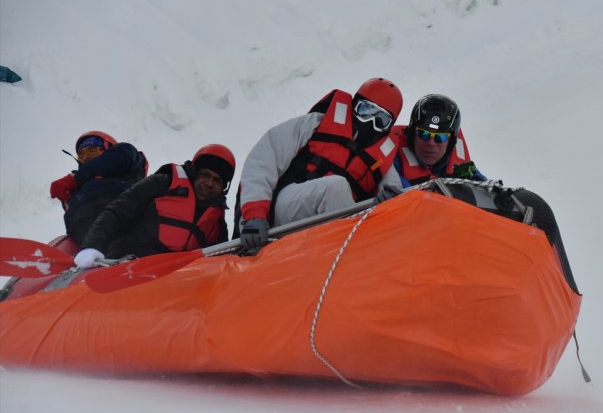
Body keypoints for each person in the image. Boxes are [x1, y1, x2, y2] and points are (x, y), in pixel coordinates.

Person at [236, 77, 405, 252]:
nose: (370, 122)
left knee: (359, 195)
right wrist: (255, 215)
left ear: (389, 126)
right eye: (366, 110)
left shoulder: (382, 160)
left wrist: (387, 203)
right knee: (336, 186)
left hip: (332, 225)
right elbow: (263, 159)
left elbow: (394, 192)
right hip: (286, 210)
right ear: (354, 105)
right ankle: (350, 254)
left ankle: (346, 254)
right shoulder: (316, 124)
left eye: (380, 120)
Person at [73, 144, 236, 269]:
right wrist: (91, 246)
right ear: (194, 173)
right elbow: (116, 212)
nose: (209, 183)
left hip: (172, 282)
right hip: (127, 264)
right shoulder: (162, 184)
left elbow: (219, 260)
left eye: (217, 180)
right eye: (205, 175)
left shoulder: (217, 222)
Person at [49, 131, 148, 245]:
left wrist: (75, 178)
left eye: (92, 150)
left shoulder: (125, 156)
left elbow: (123, 155)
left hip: (126, 225)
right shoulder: (80, 187)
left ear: (109, 148)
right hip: (88, 241)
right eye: (81, 154)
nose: (86, 156)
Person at [390, 94, 486, 187]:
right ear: (411, 135)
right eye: (424, 134)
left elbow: (490, 192)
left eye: (440, 137)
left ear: (450, 142)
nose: (431, 143)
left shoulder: (464, 170)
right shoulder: (392, 160)